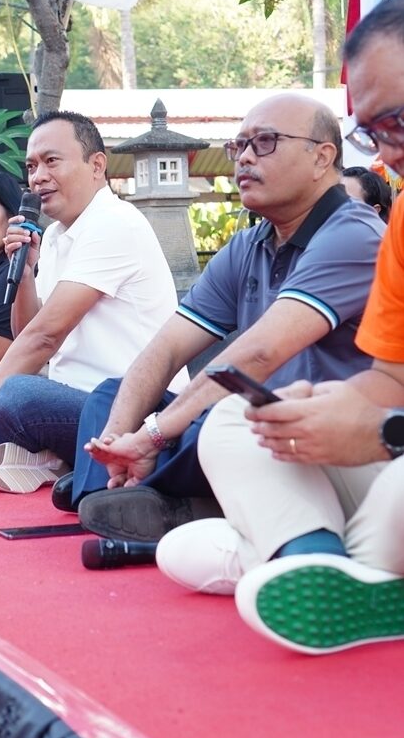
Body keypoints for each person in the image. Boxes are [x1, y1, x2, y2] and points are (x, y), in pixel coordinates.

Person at [159, 0, 404, 655]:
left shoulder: (352, 231)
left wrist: (382, 431)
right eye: (374, 133)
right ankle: (317, 562)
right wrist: (325, 406)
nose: (386, 156)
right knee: (236, 419)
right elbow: (390, 382)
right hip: (385, 457)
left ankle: (311, 561)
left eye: (399, 121)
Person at [72, 93, 384, 548]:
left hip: (321, 436)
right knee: (111, 396)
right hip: (254, 424)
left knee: (222, 420)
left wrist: (152, 436)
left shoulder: (352, 233)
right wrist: (119, 441)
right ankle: (123, 490)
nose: (245, 158)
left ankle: (151, 499)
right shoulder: (249, 245)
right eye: (240, 146)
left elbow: (258, 354)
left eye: (265, 142)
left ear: (322, 157)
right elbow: (167, 348)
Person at [0, 109, 187, 497]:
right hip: (66, 395)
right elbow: (27, 332)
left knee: (16, 395)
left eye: (51, 161)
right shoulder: (56, 235)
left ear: (97, 165)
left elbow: (44, 337)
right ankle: (26, 454)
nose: (38, 176)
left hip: (128, 408)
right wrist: (25, 272)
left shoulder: (114, 222)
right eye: (31, 166)